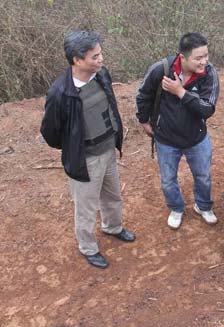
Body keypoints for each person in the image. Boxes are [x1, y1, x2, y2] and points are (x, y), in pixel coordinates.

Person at [40, 30, 135, 269]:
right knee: (86, 207)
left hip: (108, 150)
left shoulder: (101, 75)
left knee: (113, 196)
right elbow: (50, 132)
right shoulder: (61, 93)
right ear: (77, 60)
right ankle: (88, 247)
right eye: (95, 56)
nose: (101, 59)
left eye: (100, 54)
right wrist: (74, 146)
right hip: (85, 159)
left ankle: (113, 227)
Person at [136, 32, 219, 230]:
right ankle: (176, 208)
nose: (204, 61)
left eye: (206, 56)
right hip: (166, 138)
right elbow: (143, 95)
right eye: (198, 58)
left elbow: (208, 109)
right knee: (167, 180)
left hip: (196, 137)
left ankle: (203, 205)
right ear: (183, 57)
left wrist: (180, 92)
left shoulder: (209, 73)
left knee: (203, 177)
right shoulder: (161, 69)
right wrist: (143, 120)